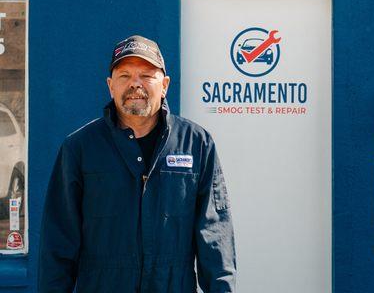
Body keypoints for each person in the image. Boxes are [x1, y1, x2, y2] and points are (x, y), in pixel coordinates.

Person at [39, 35, 236, 292]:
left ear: (164, 84)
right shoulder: (80, 148)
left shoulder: (196, 144)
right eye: (125, 76)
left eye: (146, 75)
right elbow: (58, 243)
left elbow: (215, 236)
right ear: (111, 86)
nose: (135, 84)